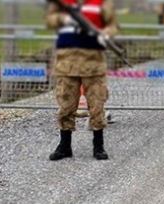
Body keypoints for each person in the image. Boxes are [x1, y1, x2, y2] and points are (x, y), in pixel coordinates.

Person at [46, 0, 119, 161]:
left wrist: (105, 34)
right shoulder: (62, 2)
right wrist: (62, 19)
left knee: (96, 105)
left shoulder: (101, 2)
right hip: (67, 62)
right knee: (66, 104)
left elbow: (113, 26)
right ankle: (65, 146)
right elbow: (50, 20)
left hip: (93, 62)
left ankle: (98, 146)